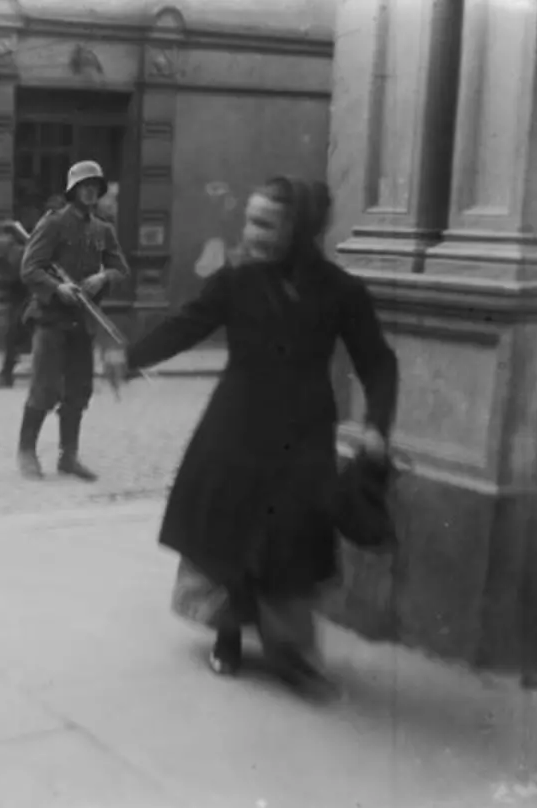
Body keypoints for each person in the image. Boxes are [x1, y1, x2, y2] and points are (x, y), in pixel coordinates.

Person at [103, 176, 399, 696]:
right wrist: (131, 357)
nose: (251, 232)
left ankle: (288, 652)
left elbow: (377, 361)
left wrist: (377, 423)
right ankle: (227, 634)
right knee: (227, 529)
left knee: (293, 541)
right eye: (250, 219)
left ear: (299, 227)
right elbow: (186, 326)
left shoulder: (340, 291)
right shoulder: (234, 282)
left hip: (304, 435)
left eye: (265, 222)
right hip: (235, 428)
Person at [17, 160, 130, 481]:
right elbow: (30, 268)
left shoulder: (103, 229)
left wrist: (102, 277)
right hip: (51, 320)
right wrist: (57, 287)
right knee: (45, 387)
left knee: (79, 391)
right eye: (85, 185)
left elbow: (122, 269)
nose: (91, 190)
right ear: (73, 190)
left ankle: (69, 456)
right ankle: (26, 452)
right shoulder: (53, 224)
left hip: (84, 322)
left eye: (95, 185)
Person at [0, 220, 30, 389]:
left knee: (12, 337)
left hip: (23, 300)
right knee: (14, 338)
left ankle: (6, 376)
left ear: (9, 237)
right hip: (19, 299)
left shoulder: (16, 252)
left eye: (0, 236)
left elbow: (14, 277)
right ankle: (7, 373)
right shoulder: (13, 252)